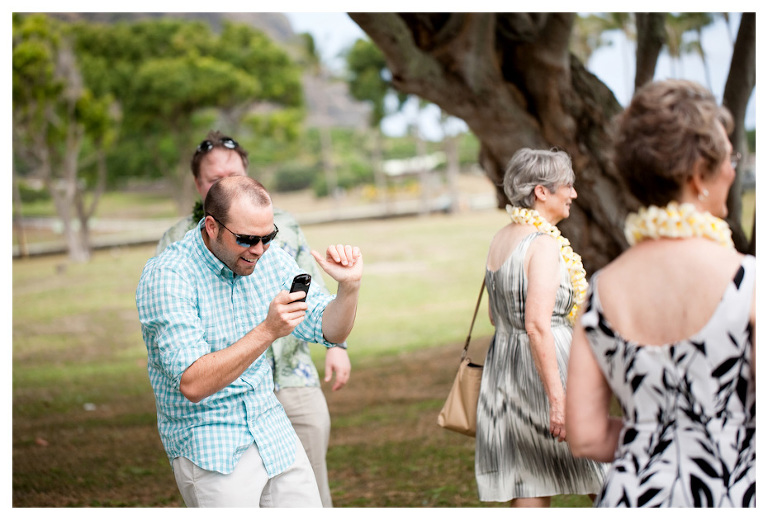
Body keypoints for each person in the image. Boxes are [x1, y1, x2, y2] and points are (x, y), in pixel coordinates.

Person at [565, 79, 756, 507]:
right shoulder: (750, 283)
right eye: (729, 158)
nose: (732, 171)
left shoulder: (600, 290)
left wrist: (655, 441)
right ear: (697, 175)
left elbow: (586, 436)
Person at [136, 175, 363, 507]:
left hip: (274, 434)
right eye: (246, 239)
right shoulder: (169, 276)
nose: (258, 250)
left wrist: (349, 288)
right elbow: (193, 382)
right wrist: (268, 331)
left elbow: (330, 330)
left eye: (267, 237)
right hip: (212, 448)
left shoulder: (269, 258)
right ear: (211, 226)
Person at [475, 148, 605, 507]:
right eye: (567, 186)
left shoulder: (502, 238)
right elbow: (536, 325)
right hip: (548, 369)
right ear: (541, 192)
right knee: (602, 472)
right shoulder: (543, 244)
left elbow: (495, 316)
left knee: (528, 479)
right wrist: (558, 400)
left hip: (505, 369)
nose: (573, 194)